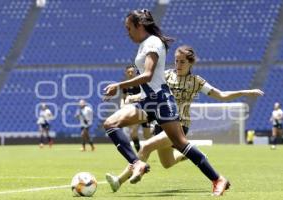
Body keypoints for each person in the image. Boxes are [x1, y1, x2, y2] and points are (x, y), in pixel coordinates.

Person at [103, 9, 231, 196]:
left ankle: (217, 179)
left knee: (181, 144)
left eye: (129, 28)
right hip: (149, 101)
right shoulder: (145, 44)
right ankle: (137, 162)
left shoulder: (153, 43)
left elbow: (147, 76)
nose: (127, 32)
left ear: (139, 26)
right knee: (110, 124)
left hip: (162, 101)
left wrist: (119, 85)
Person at [105, 45, 264, 193]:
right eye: (176, 61)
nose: (178, 64)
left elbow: (221, 95)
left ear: (190, 63)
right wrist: (133, 97)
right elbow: (151, 95)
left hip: (179, 125)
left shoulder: (196, 81)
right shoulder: (166, 75)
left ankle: (118, 181)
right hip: (161, 123)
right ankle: (188, 153)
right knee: (167, 163)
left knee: (146, 146)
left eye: (182, 61)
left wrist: (245, 92)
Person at [121, 64, 152, 152]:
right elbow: (123, 97)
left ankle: (154, 130)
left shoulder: (141, 83)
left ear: (135, 73)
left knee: (147, 136)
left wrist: (133, 97)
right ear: (126, 73)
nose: (130, 73)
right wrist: (123, 104)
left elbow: (145, 95)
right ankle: (139, 153)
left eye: (132, 72)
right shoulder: (125, 85)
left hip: (143, 111)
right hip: (133, 111)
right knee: (132, 133)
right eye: (128, 72)